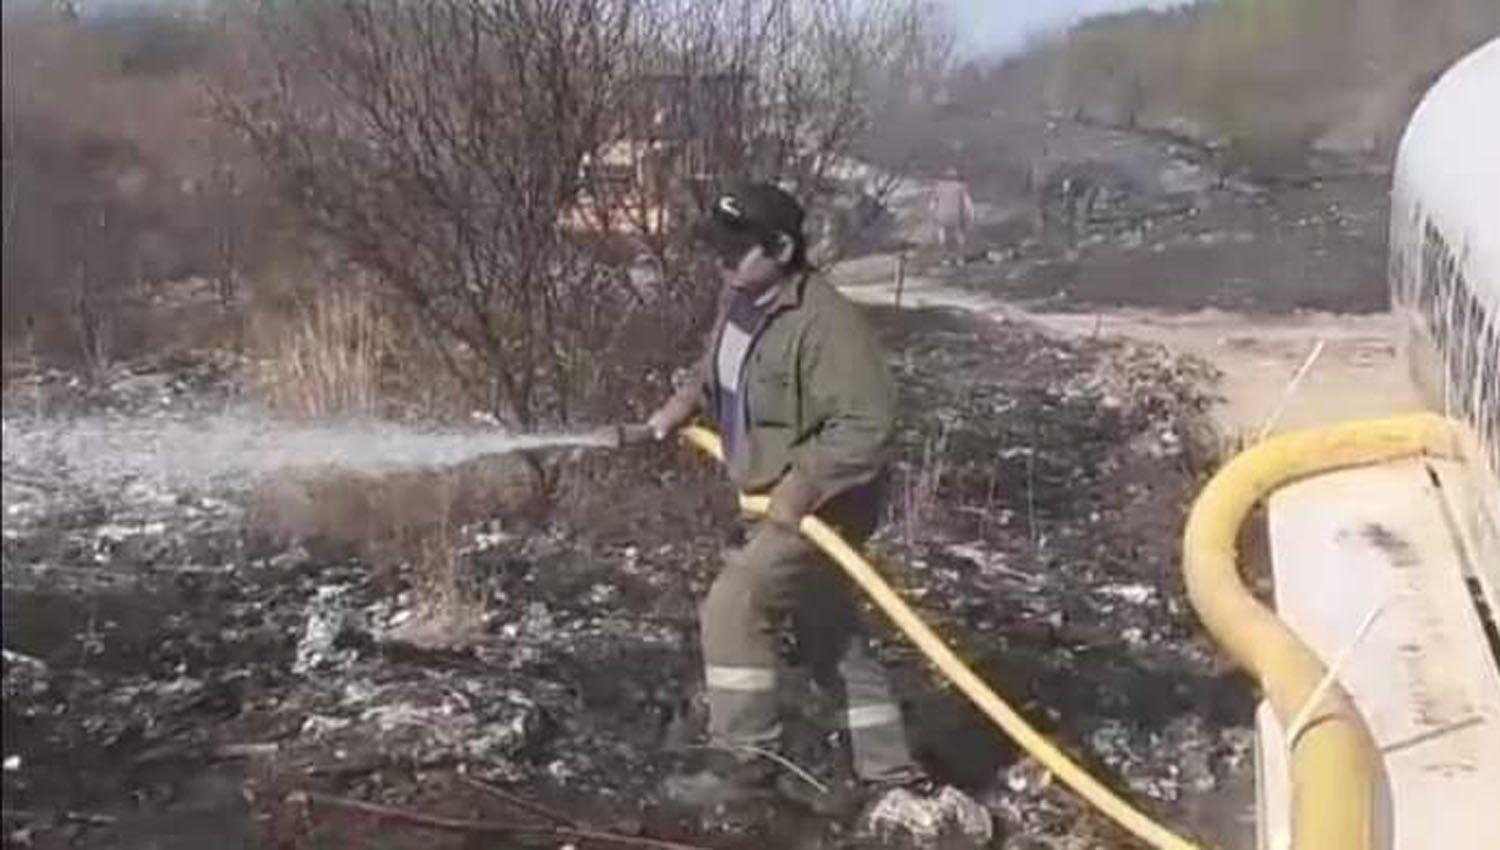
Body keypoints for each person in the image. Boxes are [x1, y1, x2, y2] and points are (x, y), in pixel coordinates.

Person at [644, 182, 929, 811]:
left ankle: (745, 765)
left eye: (734, 250)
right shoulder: (742, 297)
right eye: (716, 249)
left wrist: (799, 489)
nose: (720, 261)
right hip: (776, 493)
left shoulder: (826, 324)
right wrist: (679, 408)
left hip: (828, 505)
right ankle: (888, 769)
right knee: (830, 630)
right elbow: (714, 369)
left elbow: (867, 425)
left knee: (736, 604)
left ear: (781, 247)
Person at [929, 168, 974, 265]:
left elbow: (932, 204)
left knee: (943, 237)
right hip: (957, 215)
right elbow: (968, 204)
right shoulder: (961, 187)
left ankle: (945, 259)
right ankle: (960, 259)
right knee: (959, 236)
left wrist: (933, 215)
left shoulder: (938, 187)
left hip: (941, 216)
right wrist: (970, 216)